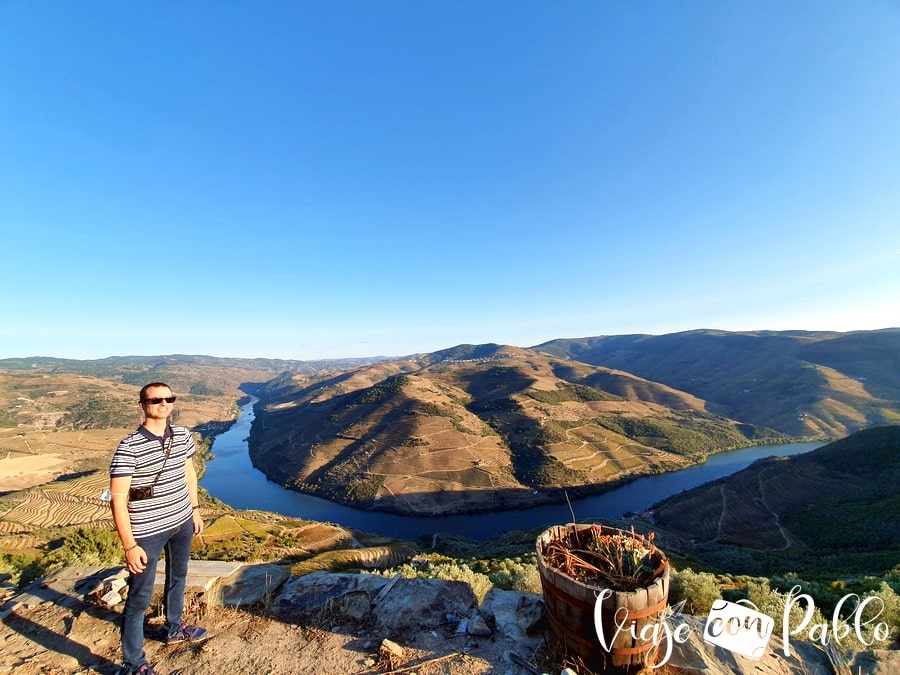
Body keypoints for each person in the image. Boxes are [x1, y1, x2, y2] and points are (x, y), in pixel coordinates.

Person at [109, 382, 208, 675]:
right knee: (139, 597)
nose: (163, 404)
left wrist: (195, 510)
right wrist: (129, 545)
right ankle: (133, 663)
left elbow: (188, 473)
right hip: (147, 530)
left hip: (181, 521)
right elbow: (117, 499)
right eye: (155, 400)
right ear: (143, 405)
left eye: (168, 399)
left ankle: (174, 629)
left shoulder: (183, 435)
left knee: (179, 577)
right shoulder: (128, 447)